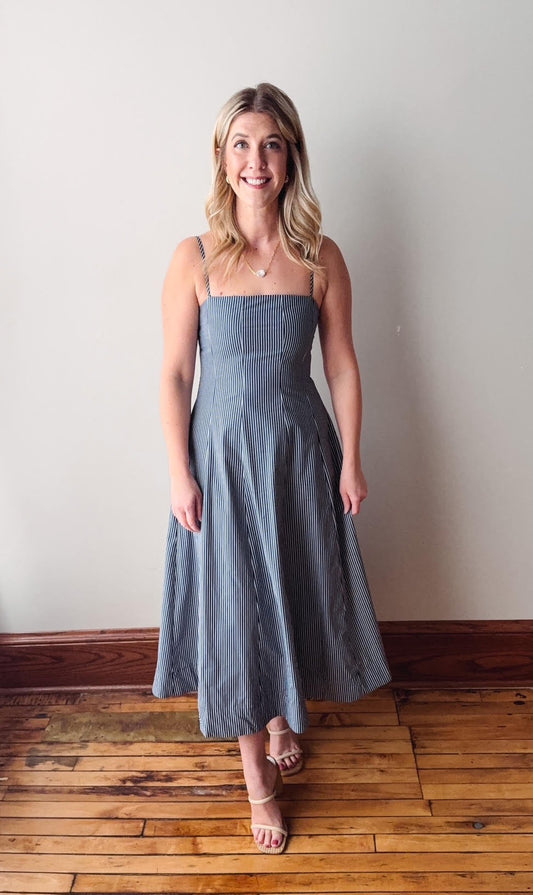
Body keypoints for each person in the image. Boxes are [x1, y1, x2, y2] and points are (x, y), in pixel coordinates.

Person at [152, 82, 391, 855]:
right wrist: (177, 470)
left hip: (296, 455)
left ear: (290, 158)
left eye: (271, 144)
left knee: (284, 585)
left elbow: (344, 367)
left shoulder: (321, 256)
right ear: (222, 160)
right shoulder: (194, 257)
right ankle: (258, 778)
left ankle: (282, 711)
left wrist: (352, 459)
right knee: (232, 609)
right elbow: (172, 375)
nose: (256, 160)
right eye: (241, 145)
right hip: (218, 461)